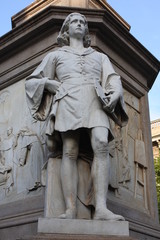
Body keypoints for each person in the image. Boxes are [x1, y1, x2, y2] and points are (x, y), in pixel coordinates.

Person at [25, 12, 128, 220]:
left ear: (86, 31)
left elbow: (113, 78)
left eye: (82, 22)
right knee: (69, 150)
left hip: (94, 98)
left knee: (101, 142)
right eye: (74, 22)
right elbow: (32, 81)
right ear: (67, 29)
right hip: (67, 98)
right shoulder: (55, 55)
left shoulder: (100, 57)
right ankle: (70, 208)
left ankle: (100, 208)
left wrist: (116, 92)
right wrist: (48, 83)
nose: (79, 24)